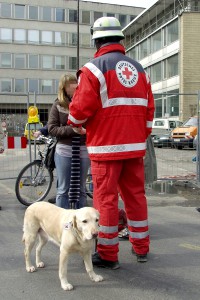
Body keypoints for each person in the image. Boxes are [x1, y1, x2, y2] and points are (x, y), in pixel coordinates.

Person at [67, 17, 155, 269]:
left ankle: (107, 253)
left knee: (105, 201)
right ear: (120, 39)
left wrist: (76, 121)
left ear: (96, 40)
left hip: (106, 149)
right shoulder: (139, 70)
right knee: (136, 198)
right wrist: (140, 136)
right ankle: (141, 248)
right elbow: (149, 111)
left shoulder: (94, 68)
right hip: (134, 148)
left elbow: (80, 110)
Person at [48, 73, 90, 209]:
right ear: (64, 88)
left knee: (81, 189)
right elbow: (52, 129)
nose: (75, 86)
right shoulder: (58, 105)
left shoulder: (84, 104)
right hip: (64, 151)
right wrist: (73, 130)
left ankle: (81, 223)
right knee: (63, 189)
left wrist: (85, 130)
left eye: (75, 82)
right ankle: (63, 224)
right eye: (71, 84)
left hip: (83, 149)